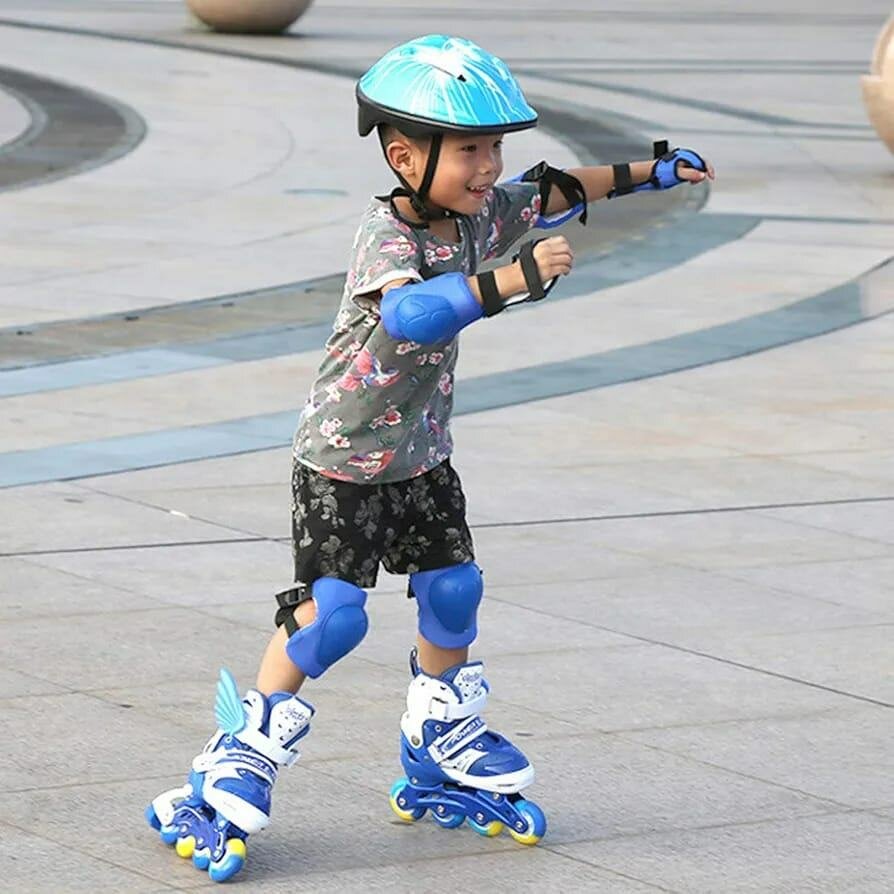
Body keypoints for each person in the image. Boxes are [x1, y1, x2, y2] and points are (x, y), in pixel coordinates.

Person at [146, 34, 714, 883]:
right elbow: (411, 317)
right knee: (333, 619)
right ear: (406, 157)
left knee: (454, 592)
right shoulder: (385, 235)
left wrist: (653, 172)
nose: (489, 168)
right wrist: (511, 281)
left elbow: (558, 189)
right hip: (343, 459)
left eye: (494, 148)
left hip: (420, 455)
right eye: (470, 150)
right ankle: (240, 750)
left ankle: (439, 736)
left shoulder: (478, 212)